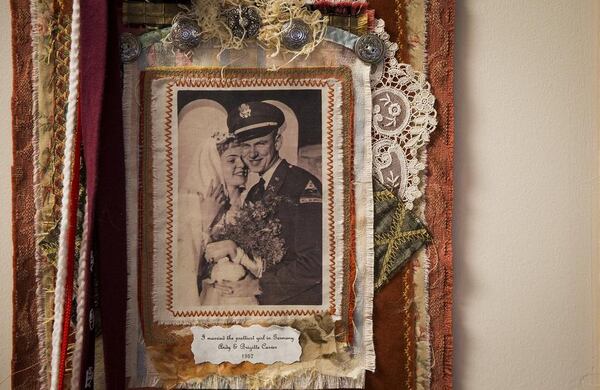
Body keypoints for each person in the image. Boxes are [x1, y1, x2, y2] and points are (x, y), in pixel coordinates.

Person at [207, 101, 323, 305]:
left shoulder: (301, 184)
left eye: (260, 143)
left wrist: (258, 287)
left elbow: (315, 262)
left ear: (277, 142)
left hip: (296, 303)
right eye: (245, 145)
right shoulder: (254, 193)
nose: (252, 153)